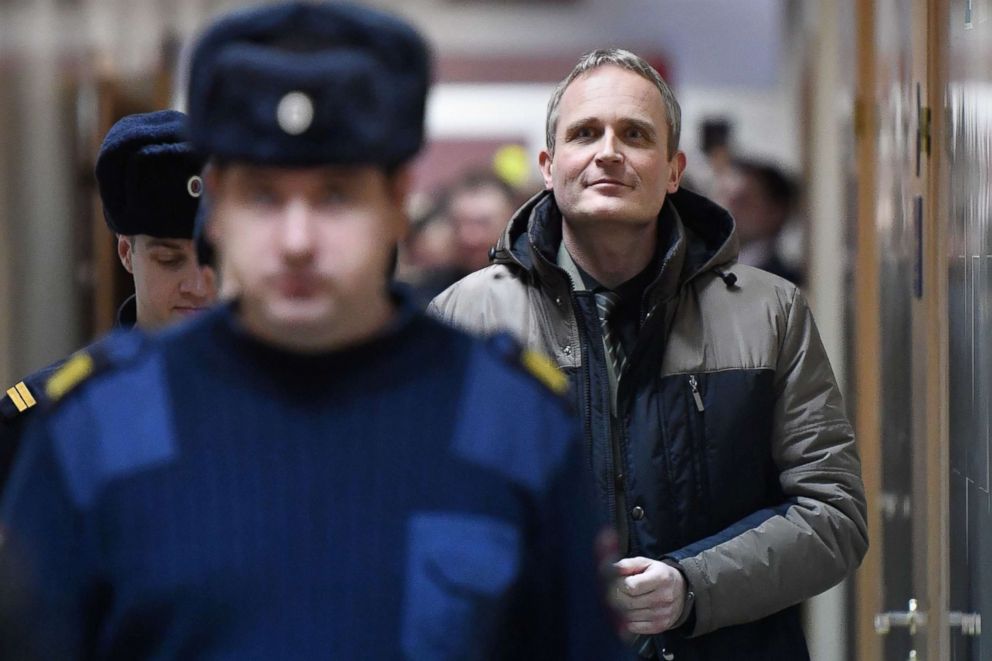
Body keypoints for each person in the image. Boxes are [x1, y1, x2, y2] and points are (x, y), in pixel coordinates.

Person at [0, 4, 621, 659]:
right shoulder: (99, 428)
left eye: (334, 196)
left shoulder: (509, 418)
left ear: (395, 204)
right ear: (219, 211)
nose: (297, 241)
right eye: (263, 196)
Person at [430, 48, 868, 660]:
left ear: (672, 169)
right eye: (585, 133)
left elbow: (834, 515)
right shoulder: (464, 321)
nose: (608, 151)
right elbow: (424, 516)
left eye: (634, 134)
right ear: (550, 166)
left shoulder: (771, 313)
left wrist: (691, 586)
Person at [0, 110, 216, 485]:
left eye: (213, 259)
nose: (197, 286)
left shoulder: (290, 404)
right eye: (169, 260)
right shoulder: (46, 418)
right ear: (126, 254)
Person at [725, 157, 804, 285]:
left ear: (775, 212)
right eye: (732, 198)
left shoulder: (783, 283)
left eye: (744, 200)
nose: (732, 207)